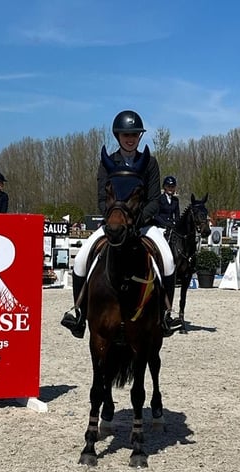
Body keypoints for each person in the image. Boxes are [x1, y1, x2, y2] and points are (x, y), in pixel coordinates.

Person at [61, 109, 181, 338]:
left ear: (139, 136)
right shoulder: (108, 162)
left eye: (134, 134)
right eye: (126, 134)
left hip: (143, 225)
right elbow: (101, 199)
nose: (130, 138)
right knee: (81, 259)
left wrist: (137, 220)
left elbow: (154, 200)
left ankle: (167, 314)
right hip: (115, 224)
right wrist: (116, 219)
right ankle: (79, 314)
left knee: (167, 259)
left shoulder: (150, 163)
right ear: (118, 136)